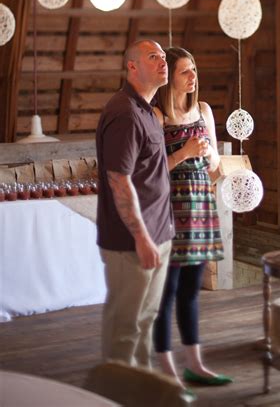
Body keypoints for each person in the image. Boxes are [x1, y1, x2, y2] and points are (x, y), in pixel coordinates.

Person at [152, 47, 232, 387]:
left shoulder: (203, 110)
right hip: (170, 209)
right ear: (170, 75)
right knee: (166, 291)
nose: (193, 76)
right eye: (186, 71)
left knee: (191, 291)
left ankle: (195, 364)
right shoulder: (156, 115)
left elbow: (215, 168)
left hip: (200, 206)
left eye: (194, 69)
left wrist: (209, 152)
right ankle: (166, 368)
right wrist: (184, 152)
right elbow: (153, 171)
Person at [96, 39, 174, 369]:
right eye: (153, 56)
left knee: (146, 320)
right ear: (132, 67)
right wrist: (141, 238)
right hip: (131, 242)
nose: (163, 61)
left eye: (164, 57)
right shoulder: (125, 113)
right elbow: (119, 179)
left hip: (157, 233)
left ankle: (141, 388)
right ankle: (116, 392)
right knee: (125, 327)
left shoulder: (147, 110)